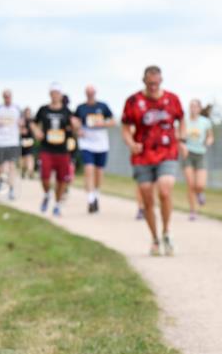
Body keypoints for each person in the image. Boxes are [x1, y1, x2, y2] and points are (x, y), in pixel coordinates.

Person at [122, 66, 186, 255]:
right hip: (142, 155)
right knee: (147, 198)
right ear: (144, 81)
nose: (153, 87)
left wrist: (181, 140)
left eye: (156, 83)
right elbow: (125, 127)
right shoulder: (133, 101)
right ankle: (155, 238)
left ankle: (166, 231)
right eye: (150, 84)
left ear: (161, 81)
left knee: (165, 191)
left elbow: (181, 120)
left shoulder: (172, 99)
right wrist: (130, 143)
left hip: (167, 151)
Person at [31, 83, 74, 217]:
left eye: (57, 93)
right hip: (46, 149)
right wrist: (37, 130)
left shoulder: (67, 111)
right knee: (44, 176)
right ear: (50, 94)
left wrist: (75, 127)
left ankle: (57, 204)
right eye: (53, 93)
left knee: (62, 180)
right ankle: (46, 194)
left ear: (61, 95)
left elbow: (73, 126)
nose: (55, 95)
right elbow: (33, 122)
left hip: (62, 150)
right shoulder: (43, 109)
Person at [73, 85, 115, 213]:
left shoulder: (103, 106)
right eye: (88, 92)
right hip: (87, 143)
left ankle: (96, 194)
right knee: (89, 169)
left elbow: (113, 121)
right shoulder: (81, 108)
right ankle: (90, 199)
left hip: (101, 143)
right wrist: (78, 129)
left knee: (99, 172)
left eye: (92, 92)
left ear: (95, 93)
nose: (90, 94)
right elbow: (74, 120)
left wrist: (103, 123)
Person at [182, 99, 214, 219]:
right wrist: (182, 145)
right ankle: (193, 210)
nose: (193, 108)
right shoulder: (184, 121)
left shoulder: (205, 122)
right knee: (190, 184)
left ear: (200, 109)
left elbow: (210, 136)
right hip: (187, 154)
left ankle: (200, 192)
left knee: (199, 184)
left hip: (200, 154)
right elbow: (178, 135)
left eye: (195, 106)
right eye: (191, 106)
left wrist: (208, 142)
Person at [0, 89, 23, 200]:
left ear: (11, 97)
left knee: (12, 166)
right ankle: (0, 180)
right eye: (5, 96)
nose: (7, 98)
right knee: (1, 167)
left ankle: (11, 190)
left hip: (13, 141)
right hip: (0, 141)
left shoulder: (17, 109)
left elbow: (22, 122)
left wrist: (21, 124)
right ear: (3, 97)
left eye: (9, 96)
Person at [19, 107, 37, 180]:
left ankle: (30, 172)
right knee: (23, 158)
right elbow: (20, 131)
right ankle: (24, 170)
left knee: (29, 157)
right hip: (23, 141)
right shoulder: (22, 121)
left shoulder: (32, 121)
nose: (28, 114)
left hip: (30, 141)